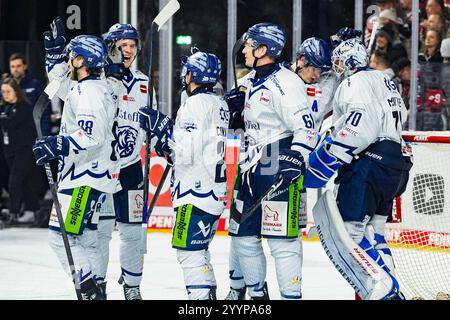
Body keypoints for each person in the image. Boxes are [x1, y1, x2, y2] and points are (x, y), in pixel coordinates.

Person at [303, 38, 412, 300]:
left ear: (350, 61)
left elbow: (360, 128)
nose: (338, 68)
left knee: (350, 233)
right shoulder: (384, 80)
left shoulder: (353, 83)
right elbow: (403, 115)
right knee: (375, 232)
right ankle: (393, 289)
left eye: (340, 61)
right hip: (397, 161)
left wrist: (326, 159)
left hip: (369, 163)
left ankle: (385, 290)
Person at [222, 23, 321, 300]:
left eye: (249, 45)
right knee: (242, 236)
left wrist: (296, 156)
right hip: (250, 165)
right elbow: (238, 128)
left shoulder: (287, 83)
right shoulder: (248, 82)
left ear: (263, 50)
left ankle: (291, 296)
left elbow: (305, 128)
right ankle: (257, 296)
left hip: (278, 160)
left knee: (283, 241)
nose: (243, 49)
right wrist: (234, 114)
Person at [32, 33, 120, 300]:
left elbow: (92, 135)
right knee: (86, 238)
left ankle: (89, 292)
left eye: (71, 56)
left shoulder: (90, 91)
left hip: (85, 176)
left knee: (61, 238)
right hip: (92, 175)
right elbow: (60, 87)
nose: (69, 60)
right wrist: (54, 58)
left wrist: (56, 145)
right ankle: (96, 291)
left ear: (82, 60)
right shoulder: (89, 86)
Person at [139, 50, 228, 300]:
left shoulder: (196, 103)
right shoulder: (217, 102)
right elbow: (192, 145)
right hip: (210, 189)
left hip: (196, 190)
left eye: (186, 71)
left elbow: (185, 149)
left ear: (192, 75)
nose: (183, 75)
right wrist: (164, 143)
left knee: (189, 252)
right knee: (198, 252)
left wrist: (163, 128)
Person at [93, 23, 151, 300]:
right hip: (102, 168)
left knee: (132, 232)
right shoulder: (97, 78)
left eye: (132, 46)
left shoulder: (144, 82)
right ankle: (97, 283)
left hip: (130, 167)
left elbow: (146, 123)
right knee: (101, 231)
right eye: (122, 45)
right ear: (110, 46)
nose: (128, 51)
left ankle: (132, 285)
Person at [0, 78, 42, 225]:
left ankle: (13, 213)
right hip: (10, 150)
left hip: (24, 150)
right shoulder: (6, 107)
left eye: (8, 91)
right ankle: (33, 211)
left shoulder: (24, 107)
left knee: (14, 182)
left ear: (16, 91)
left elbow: (11, 123)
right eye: (3, 91)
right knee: (24, 182)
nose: (5, 94)